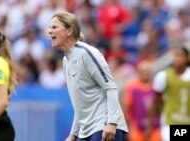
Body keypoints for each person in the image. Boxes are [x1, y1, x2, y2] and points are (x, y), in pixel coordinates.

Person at [48, 12, 128, 141]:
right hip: (85, 132)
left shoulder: (87, 53)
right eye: (49, 27)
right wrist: (73, 134)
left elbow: (111, 87)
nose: (49, 31)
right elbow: (80, 104)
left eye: (54, 27)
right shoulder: (65, 61)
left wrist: (112, 122)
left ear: (69, 31)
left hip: (104, 127)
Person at [150, 47, 190, 141]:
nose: (177, 59)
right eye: (176, 56)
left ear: (187, 58)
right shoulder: (163, 76)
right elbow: (156, 101)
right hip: (170, 122)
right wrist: (150, 123)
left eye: (181, 56)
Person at [123, 61, 161, 141]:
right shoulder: (132, 88)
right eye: (144, 72)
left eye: (148, 72)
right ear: (139, 73)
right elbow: (127, 106)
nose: (146, 74)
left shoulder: (156, 87)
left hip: (155, 126)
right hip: (137, 127)